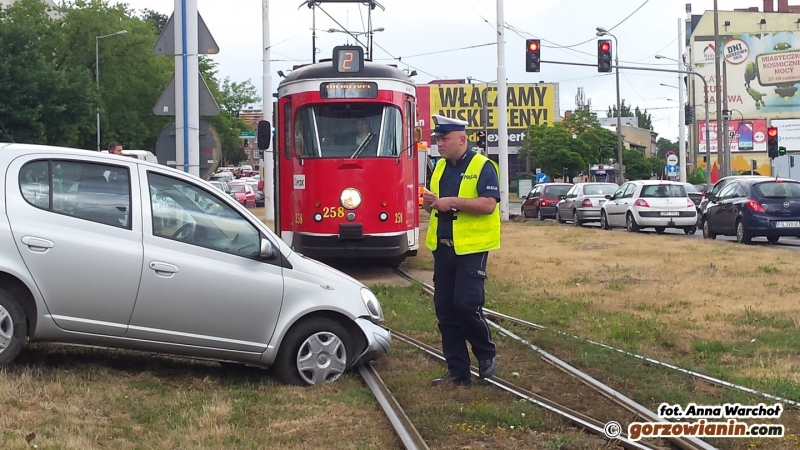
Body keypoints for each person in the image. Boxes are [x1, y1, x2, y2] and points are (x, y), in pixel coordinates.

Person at [422, 115, 501, 387]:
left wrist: (452, 202)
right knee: (445, 310)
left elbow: (489, 204)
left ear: (461, 139)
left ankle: (485, 353)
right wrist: (430, 203)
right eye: (437, 139)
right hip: (442, 248)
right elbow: (431, 206)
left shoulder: (483, 166)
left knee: (466, 305)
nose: (439, 144)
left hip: (471, 249)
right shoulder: (440, 167)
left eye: (444, 139)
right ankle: (458, 371)